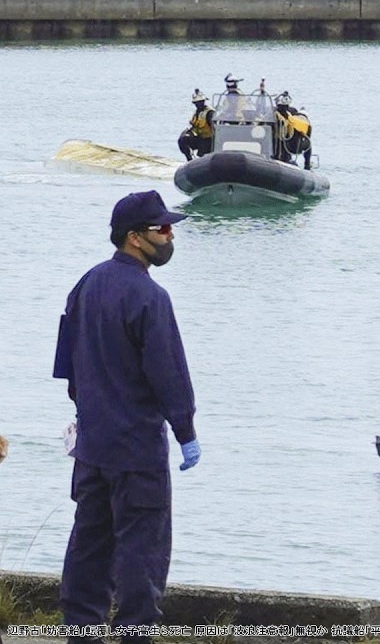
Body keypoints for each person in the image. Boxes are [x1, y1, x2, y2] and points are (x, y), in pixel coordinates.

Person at [52, 190, 200, 644]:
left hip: (93, 445)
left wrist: (89, 414)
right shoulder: (150, 298)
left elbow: (68, 367)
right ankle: (135, 632)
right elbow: (169, 373)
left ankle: (81, 629)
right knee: (142, 544)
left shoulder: (86, 284)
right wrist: (186, 431)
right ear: (134, 238)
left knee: (90, 540)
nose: (170, 235)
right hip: (136, 448)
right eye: (162, 229)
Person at [273, 91, 313, 169]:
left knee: (308, 145)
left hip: (288, 144)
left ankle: (307, 165)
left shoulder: (287, 115)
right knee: (308, 145)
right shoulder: (285, 115)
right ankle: (307, 165)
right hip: (284, 143)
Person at [177, 89, 213, 161]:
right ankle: (189, 159)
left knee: (203, 154)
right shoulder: (196, 113)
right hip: (199, 138)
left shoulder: (209, 113)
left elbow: (215, 128)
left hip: (208, 140)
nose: (198, 104)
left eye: (200, 102)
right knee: (183, 140)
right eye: (196, 103)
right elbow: (193, 126)